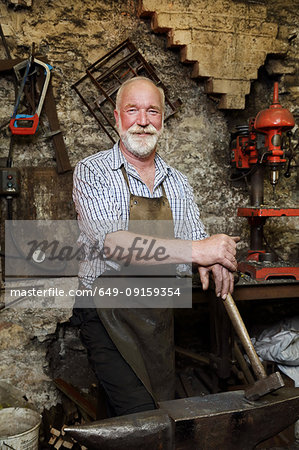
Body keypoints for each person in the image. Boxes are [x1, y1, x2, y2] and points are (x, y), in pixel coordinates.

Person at [72, 76, 239, 417]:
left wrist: (214, 259)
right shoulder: (93, 172)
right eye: (133, 110)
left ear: (163, 120)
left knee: (161, 405)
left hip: (158, 311)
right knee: (141, 413)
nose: (143, 121)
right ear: (117, 118)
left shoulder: (178, 182)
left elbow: (198, 238)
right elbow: (113, 243)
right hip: (105, 312)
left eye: (153, 111)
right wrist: (198, 252)